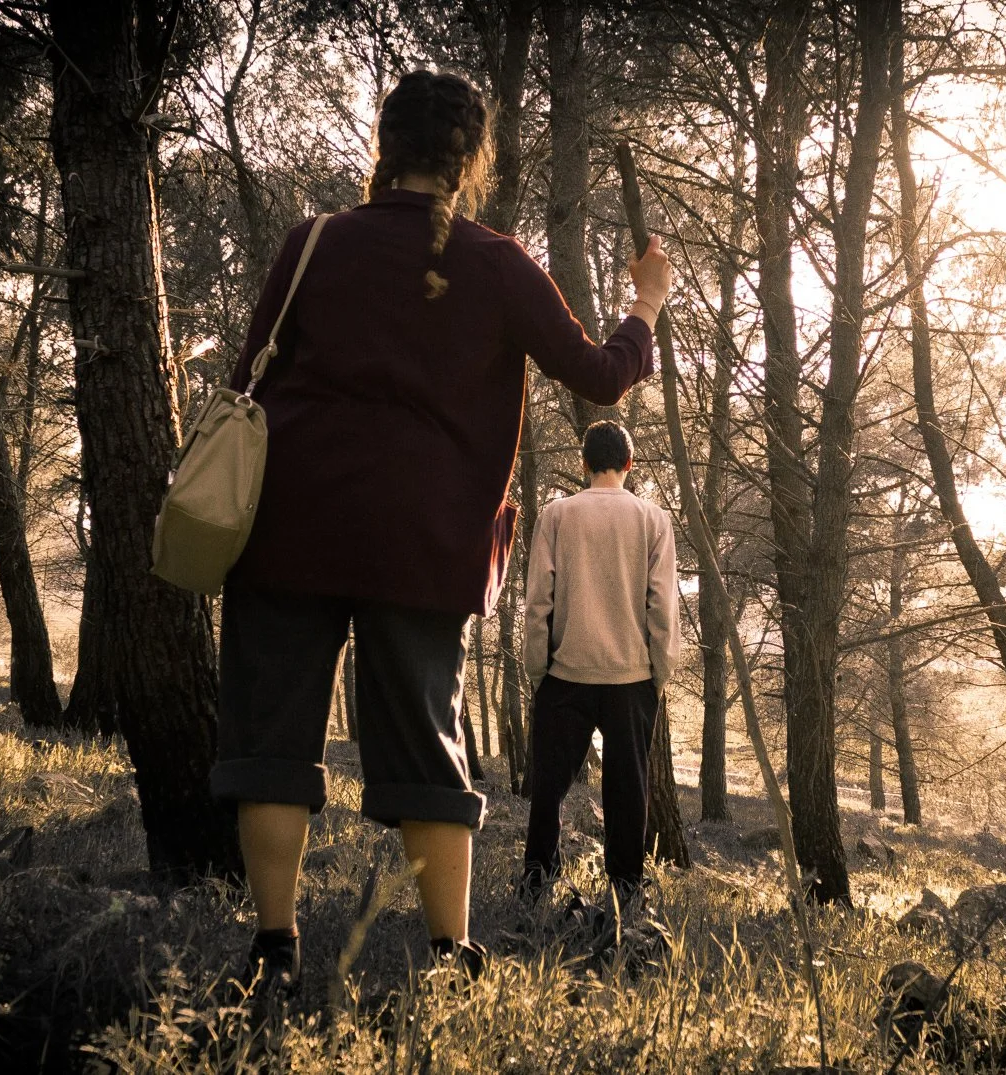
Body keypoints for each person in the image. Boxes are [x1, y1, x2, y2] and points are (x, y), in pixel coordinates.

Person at [209, 69, 672, 1005]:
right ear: (471, 162)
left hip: (290, 524)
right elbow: (599, 376)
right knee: (429, 743)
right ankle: (448, 955)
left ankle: (274, 948)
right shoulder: (497, 264)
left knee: (272, 742)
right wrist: (647, 304)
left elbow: (249, 374)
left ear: (385, 148)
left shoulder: (314, 242)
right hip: (422, 542)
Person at [519, 420, 682, 916]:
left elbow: (538, 602)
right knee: (628, 790)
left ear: (584, 463)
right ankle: (625, 892)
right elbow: (662, 607)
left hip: (565, 673)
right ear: (629, 463)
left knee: (548, 787)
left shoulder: (557, 515)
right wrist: (660, 673)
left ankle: (535, 883)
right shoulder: (653, 519)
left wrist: (537, 670)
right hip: (631, 677)